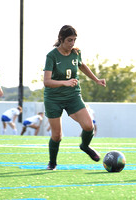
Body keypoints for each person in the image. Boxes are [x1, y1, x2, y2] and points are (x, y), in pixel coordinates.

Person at [43, 25, 106, 170]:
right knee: (57, 135)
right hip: (53, 99)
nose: (72, 43)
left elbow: (82, 65)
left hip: (73, 96)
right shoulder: (51, 56)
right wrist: (65, 83)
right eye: (69, 40)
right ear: (61, 39)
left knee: (89, 126)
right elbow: (46, 82)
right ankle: (52, 163)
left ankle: (85, 146)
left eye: (74, 40)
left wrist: (96, 79)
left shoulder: (76, 53)